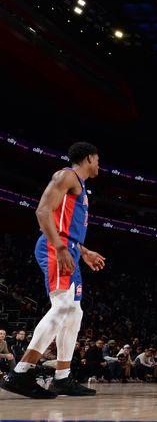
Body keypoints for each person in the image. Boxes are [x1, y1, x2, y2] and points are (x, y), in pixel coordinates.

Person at [0, 142, 105, 399]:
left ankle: (62, 378)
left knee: (75, 312)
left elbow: (66, 224)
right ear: (89, 158)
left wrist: (83, 251)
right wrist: (59, 246)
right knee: (62, 308)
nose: (99, 164)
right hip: (54, 245)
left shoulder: (80, 187)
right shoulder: (67, 175)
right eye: (98, 159)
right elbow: (43, 211)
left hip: (68, 247)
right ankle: (20, 373)